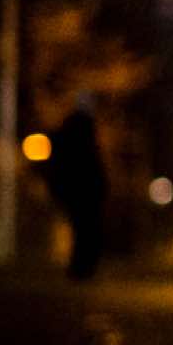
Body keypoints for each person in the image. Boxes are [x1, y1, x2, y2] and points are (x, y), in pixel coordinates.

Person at [40, 93, 108, 280]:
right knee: (87, 230)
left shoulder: (67, 130)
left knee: (81, 229)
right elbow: (92, 164)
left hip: (75, 188)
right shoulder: (84, 131)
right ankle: (82, 268)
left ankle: (80, 267)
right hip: (84, 189)